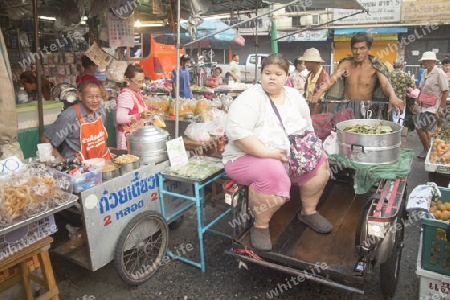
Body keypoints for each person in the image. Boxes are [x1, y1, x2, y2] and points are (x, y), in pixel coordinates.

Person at [223, 53, 331, 251]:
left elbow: (307, 126)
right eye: (267, 73)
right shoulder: (249, 98)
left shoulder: (293, 96)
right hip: (245, 156)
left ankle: (308, 212)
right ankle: (260, 225)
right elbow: (239, 135)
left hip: (286, 152)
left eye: (278, 74)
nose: (272, 77)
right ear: (261, 74)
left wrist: (311, 149)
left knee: (321, 161)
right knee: (273, 172)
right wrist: (269, 153)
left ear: (286, 77)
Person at [309, 32, 404, 118]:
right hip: (346, 107)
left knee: (364, 135)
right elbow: (331, 80)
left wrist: (393, 96)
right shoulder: (346, 64)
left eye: (362, 48)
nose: (358, 52)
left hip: (366, 108)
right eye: (355, 48)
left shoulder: (375, 66)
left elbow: (385, 83)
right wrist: (318, 93)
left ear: (369, 49)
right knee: (340, 134)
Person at [41, 80, 111, 161]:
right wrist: (61, 161)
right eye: (90, 97)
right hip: (78, 163)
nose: (95, 100)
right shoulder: (69, 116)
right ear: (80, 96)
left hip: (99, 160)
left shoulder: (101, 110)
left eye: (98, 96)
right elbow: (45, 139)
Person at [414, 51, 449, 159]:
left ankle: (426, 149)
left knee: (419, 128)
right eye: (425, 61)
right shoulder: (425, 73)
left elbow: (445, 91)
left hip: (433, 107)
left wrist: (440, 108)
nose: (427, 62)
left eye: (430, 61)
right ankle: (429, 149)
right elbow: (421, 89)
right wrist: (416, 103)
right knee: (425, 129)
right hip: (424, 105)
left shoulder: (439, 73)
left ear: (434, 62)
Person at [115, 64, 153, 150]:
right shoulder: (126, 95)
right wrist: (140, 116)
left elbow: (139, 109)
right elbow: (120, 118)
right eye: (138, 82)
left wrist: (151, 108)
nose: (141, 85)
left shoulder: (136, 92)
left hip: (136, 136)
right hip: (127, 138)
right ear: (127, 80)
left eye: (142, 81)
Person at [389, 59, 416, 148]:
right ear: (401, 66)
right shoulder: (405, 75)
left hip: (391, 99)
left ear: (393, 66)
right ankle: (399, 132)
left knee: (393, 115)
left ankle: (393, 131)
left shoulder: (389, 75)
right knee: (401, 115)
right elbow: (413, 85)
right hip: (401, 100)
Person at [301, 48, 329, 115]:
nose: (304, 64)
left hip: (316, 114)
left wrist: (313, 117)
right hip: (308, 110)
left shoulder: (323, 77)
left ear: (313, 62)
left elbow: (319, 103)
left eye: (306, 62)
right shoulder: (309, 75)